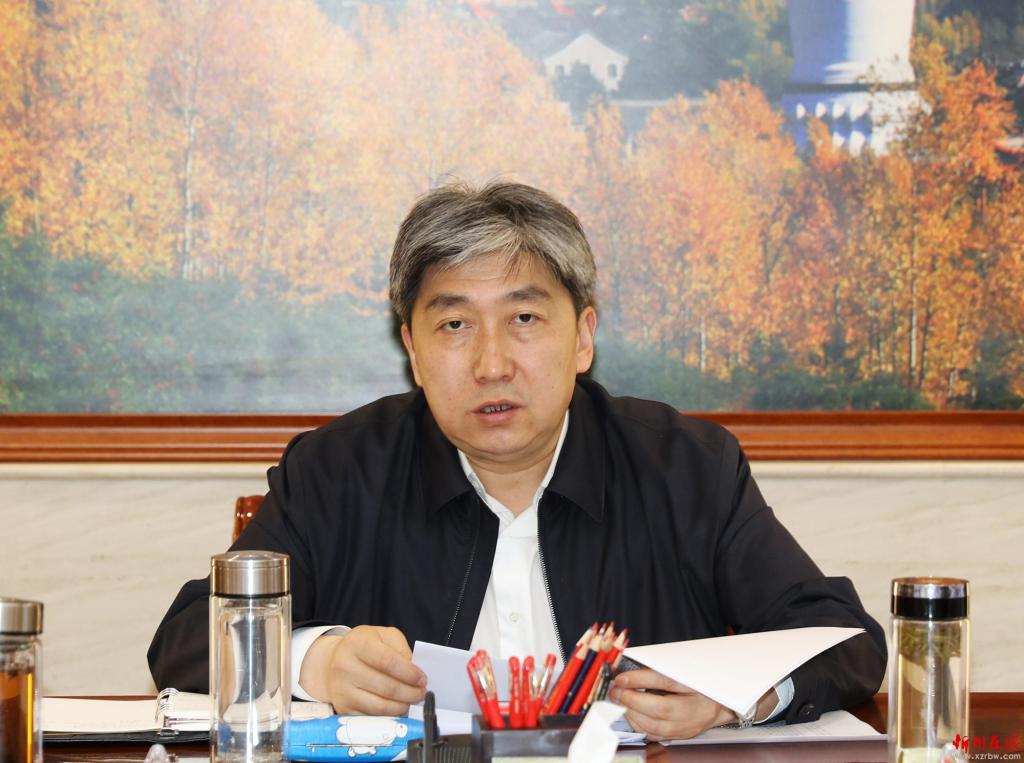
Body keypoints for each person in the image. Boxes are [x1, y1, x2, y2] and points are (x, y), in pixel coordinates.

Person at [148, 181, 885, 740]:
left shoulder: (685, 467)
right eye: (455, 324)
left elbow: (843, 639)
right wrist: (317, 660)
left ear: (583, 336)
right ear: (413, 350)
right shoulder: (339, 471)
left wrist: (732, 696)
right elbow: (184, 639)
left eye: (525, 318)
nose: (492, 362)